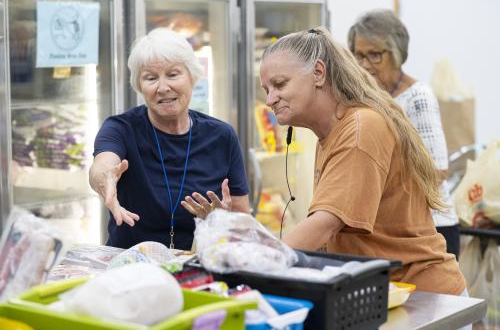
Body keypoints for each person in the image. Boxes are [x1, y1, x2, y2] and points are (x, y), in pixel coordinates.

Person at [258, 27, 466, 296]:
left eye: (280, 84)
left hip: (422, 296)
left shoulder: (360, 128)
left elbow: (326, 223)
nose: (269, 99)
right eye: (266, 89)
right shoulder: (333, 132)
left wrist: (260, 263)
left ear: (319, 73)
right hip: (386, 292)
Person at [90, 28, 250, 250]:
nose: (163, 88)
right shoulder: (121, 128)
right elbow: (103, 163)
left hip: (197, 268)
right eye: (151, 78)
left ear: (192, 76)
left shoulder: (222, 136)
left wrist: (220, 222)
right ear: (139, 86)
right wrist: (105, 179)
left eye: (173, 74)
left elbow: (243, 218)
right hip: (130, 267)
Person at [347, 9, 461, 259]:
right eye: (358, 55)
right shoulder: (369, 99)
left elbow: (437, 171)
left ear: (397, 54)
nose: (365, 65)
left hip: (431, 229)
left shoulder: (417, 97)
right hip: (394, 231)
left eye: (374, 55)